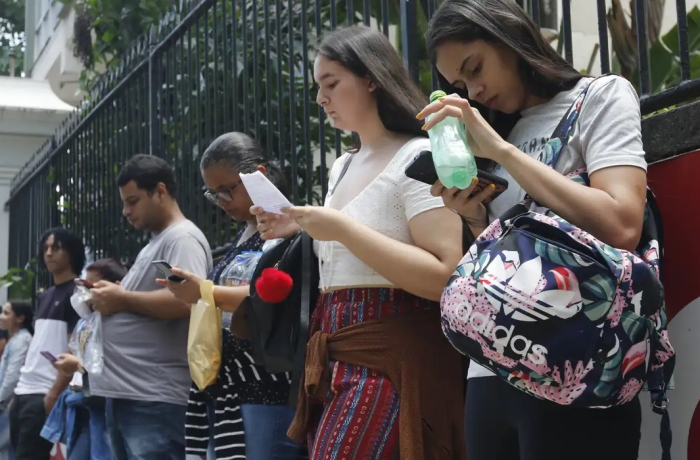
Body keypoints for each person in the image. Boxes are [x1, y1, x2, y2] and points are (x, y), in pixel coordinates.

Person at [418, 1, 649, 459]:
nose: (475, 89)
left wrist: (502, 151)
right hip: (491, 366)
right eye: (460, 85)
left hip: (579, 362)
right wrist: (474, 218)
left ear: (507, 34)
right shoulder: (494, 134)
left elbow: (623, 224)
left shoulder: (599, 98)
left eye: (475, 67)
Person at [254, 26, 467, 459]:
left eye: (331, 83)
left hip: (391, 356)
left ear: (371, 77)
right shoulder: (342, 167)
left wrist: (340, 229)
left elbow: (447, 274)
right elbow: (352, 245)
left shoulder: (419, 156)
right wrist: (298, 226)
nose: (321, 98)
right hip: (331, 355)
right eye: (318, 87)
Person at [160, 132, 304, 460]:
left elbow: (273, 295)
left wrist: (206, 291)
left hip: (270, 386)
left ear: (260, 176)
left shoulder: (292, 229)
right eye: (215, 194)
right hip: (232, 387)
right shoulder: (246, 232)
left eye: (228, 190)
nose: (223, 202)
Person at [88, 154, 213, 460]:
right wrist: (117, 293)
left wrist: (122, 298)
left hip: (155, 398)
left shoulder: (181, 239)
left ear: (160, 191)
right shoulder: (159, 242)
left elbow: (186, 299)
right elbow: (163, 293)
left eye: (133, 201)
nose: (126, 211)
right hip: (134, 395)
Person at [10, 228, 84, 460]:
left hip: (44, 393)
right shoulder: (46, 295)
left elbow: (75, 346)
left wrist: (53, 395)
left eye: (56, 248)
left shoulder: (77, 293)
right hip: (23, 392)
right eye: (46, 248)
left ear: (71, 253)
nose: (49, 253)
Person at [48, 258, 128, 460]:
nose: (83, 293)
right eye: (82, 286)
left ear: (115, 287)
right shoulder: (87, 320)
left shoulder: (122, 321)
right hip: (86, 403)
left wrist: (78, 365)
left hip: (110, 407)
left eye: (89, 286)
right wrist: (73, 366)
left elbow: (116, 365)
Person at [0, 301, 34, 460]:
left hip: (8, 404)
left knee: (6, 449)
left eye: (6, 313)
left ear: (20, 318)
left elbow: (12, 376)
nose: (1, 317)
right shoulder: (16, 339)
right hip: (7, 402)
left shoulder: (21, 341)